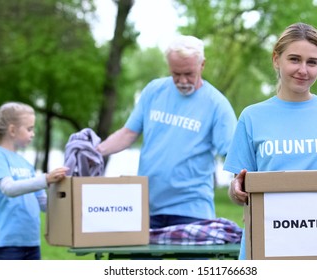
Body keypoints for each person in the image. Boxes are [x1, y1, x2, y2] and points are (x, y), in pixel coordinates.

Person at [223, 22, 317, 259]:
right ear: (276, 60)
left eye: (312, 62)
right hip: (265, 245)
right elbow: (237, 190)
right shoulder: (252, 116)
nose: (303, 69)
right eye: (294, 59)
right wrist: (236, 189)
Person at [97, 35, 237, 229]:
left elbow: (233, 153)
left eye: (188, 73)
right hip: (147, 205)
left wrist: (248, 185)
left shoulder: (217, 104)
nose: (182, 80)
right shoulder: (154, 91)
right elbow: (128, 133)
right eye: (175, 74)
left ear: (202, 65)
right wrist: (95, 151)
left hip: (193, 209)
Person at [0, 102, 68, 260]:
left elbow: (44, 204)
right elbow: (8, 188)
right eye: (29, 129)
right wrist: (45, 179)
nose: (33, 134)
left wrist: (69, 197)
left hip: (31, 243)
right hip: (6, 245)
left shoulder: (26, 164)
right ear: (12, 130)